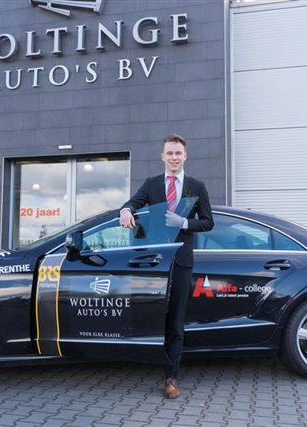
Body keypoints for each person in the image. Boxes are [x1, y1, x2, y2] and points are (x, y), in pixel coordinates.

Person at [119, 134, 213, 399]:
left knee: (176, 321)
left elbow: (208, 221)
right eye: (169, 153)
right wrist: (125, 211)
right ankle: (145, 362)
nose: (174, 158)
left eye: (178, 153)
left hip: (182, 262)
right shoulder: (151, 184)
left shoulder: (196, 186)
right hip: (155, 263)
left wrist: (183, 223)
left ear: (185, 156)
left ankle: (171, 377)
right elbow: (132, 203)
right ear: (162, 156)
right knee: (152, 315)